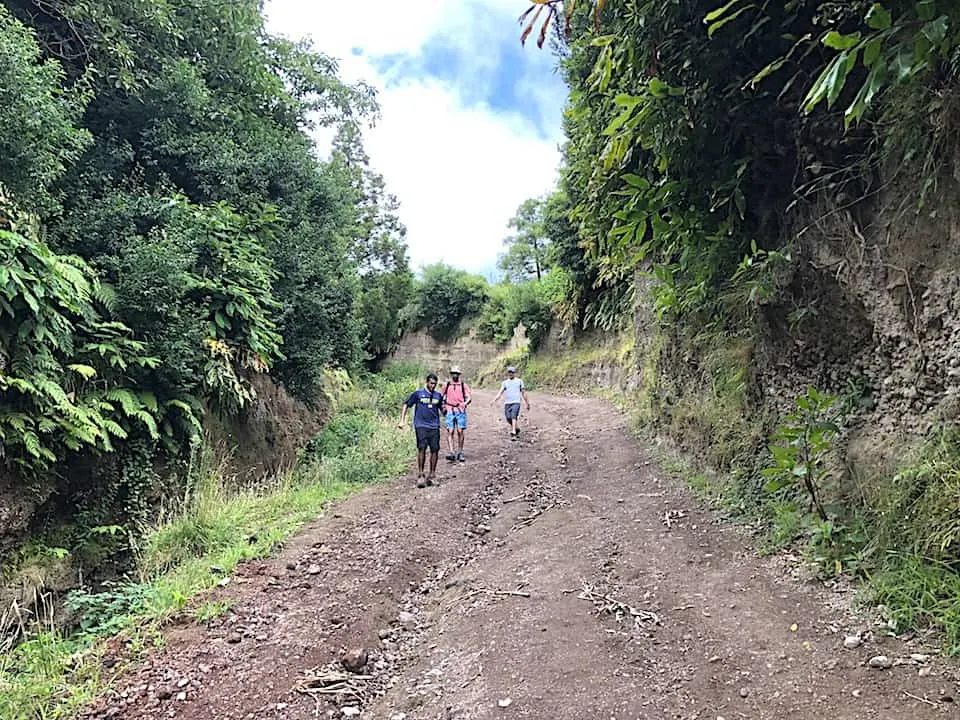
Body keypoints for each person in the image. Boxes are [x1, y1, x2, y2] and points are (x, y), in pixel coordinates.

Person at [397, 372, 444, 487]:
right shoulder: (418, 394)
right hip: (421, 425)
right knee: (422, 448)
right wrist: (402, 420)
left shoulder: (438, 396)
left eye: (435, 384)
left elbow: (442, 409)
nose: (433, 386)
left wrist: (448, 411)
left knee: (435, 450)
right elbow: (406, 404)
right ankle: (421, 474)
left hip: (434, 426)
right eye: (431, 383)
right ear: (427, 382)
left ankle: (432, 475)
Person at [441, 365, 471, 462]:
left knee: (460, 431)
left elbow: (469, 397)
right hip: (449, 409)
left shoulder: (463, 385)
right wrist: (443, 406)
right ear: (451, 374)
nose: (455, 375)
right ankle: (451, 452)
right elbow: (441, 396)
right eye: (453, 373)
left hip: (460, 410)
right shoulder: (447, 385)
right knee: (450, 431)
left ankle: (460, 452)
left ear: (458, 374)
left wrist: (464, 403)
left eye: (456, 373)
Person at [490, 366, 530, 438]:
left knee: (513, 416)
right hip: (507, 403)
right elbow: (500, 392)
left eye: (512, 372)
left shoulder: (519, 381)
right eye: (509, 372)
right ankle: (516, 428)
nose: (510, 374)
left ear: (514, 373)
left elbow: (523, 392)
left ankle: (513, 432)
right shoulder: (505, 383)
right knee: (508, 418)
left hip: (516, 402)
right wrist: (494, 400)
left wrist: (527, 403)